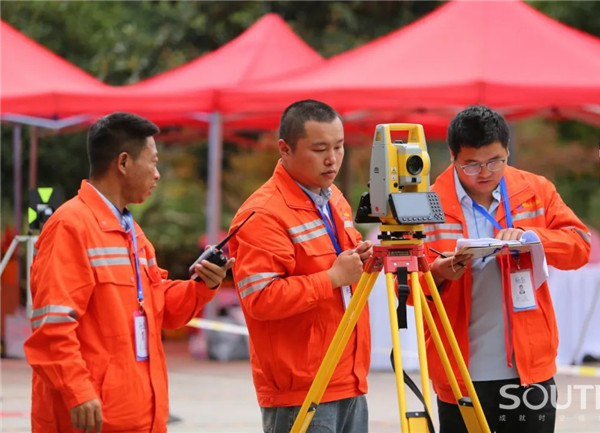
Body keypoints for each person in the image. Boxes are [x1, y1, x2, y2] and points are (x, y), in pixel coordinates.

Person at [24, 112, 234, 433]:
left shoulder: (131, 231)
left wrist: (202, 285)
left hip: (138, 416)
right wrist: (78, 391)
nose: (157, 174)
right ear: (123, 162)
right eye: (153, 162)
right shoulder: (70, 226)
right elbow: (52, 326)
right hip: (90, 418)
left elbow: (159, 306)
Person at [424, 105, 591, 433]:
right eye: (471, 164)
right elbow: (406, 289)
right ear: (453, 157)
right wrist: (440, 272)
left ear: (507, 150)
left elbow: (580, 247)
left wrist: (533, 238)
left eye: (495, 161)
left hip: (531, 370)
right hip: (460, 373)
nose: (484, 172)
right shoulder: (429, 203)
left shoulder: (535, 190)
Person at [229, 99, 373, 433]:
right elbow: (261, 299)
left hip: (349, 377)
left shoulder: (333, 197)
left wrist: (360, 260)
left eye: (339, 146)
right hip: (301, 390)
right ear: (285, 149)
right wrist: (332, 277)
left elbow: (340, 269)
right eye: (320, 149)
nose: (332, 158)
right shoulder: (263, 214)